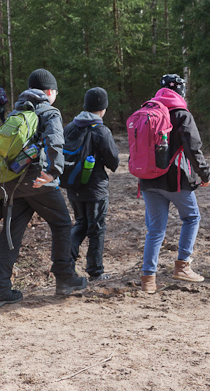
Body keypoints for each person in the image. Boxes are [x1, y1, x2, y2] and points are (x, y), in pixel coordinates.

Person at [0, 69, 87, 310]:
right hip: (38, 181)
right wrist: (54, 171)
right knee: (62, 223)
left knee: (11, 234)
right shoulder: (49, 112)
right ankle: (64, 278)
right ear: (49, 91)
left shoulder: (16, 112)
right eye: (55, 91)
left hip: (12, 181)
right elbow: (55, 141)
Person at [138, 74, 210, 294]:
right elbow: (193, 149)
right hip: (175, 179)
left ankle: (148, 279)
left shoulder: (147, 112)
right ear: (181, 91)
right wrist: (205, 175)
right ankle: (182, 266)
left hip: (147, 179)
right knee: (192, 217)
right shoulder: (181, 114)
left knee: (155, 230)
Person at [65, 87, 119, 281]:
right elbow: (113, 162)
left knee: (81, 223)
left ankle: (66, 265)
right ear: (103, 109)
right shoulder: (101, 130)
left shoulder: (70, 127)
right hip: (95, 188)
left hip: (73, 184)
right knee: (96, 228)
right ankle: (95, 271)